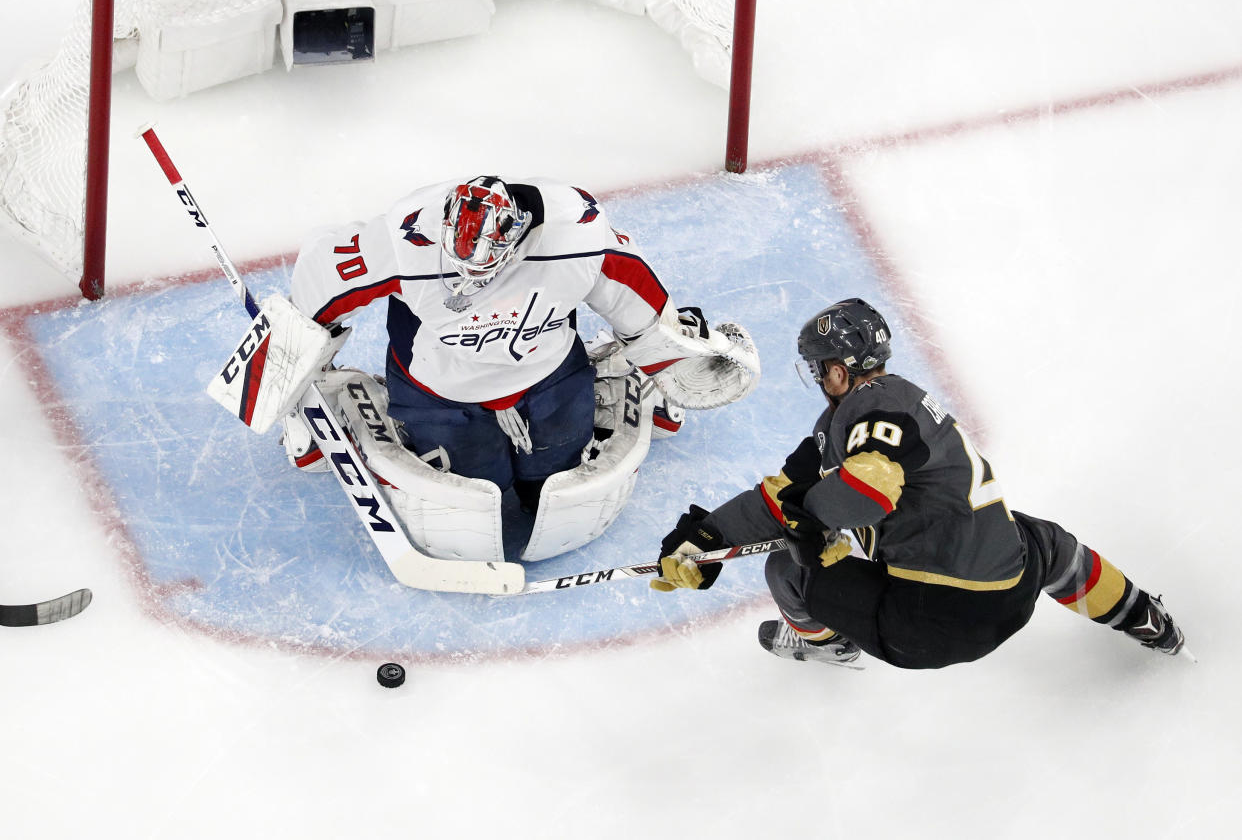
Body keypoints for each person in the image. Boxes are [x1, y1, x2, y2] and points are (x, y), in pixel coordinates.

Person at [650, 298, 1186, 669]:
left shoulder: (870, 409)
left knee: (788, 568)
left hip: (927, 626)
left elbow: (869, 489)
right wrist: (709, 536)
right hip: (1012, 594)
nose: (818, 379)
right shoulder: (890, 406)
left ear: (839, 370)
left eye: (820, 368)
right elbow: (780, 495)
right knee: (1045, 542)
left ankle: (828, 644)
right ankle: (1145, 619)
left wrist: (810, 525)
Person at [279, 176, 757, 552]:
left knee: (558, 486)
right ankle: (346, 400)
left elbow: (639, 302)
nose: (463, 285)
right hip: (440, 390)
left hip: (547, 378)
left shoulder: (578, 239)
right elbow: (318, 284)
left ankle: (620, 376)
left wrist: (669, 361)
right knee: (472, 501)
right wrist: (294, 377)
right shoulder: (399, 244)